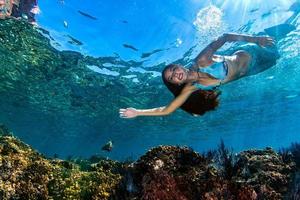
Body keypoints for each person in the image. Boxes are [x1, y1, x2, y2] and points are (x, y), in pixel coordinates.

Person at [119, 32, 280, 119]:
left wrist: (256, 39)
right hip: (252, 71)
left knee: (277, 48)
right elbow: (166, 110)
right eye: (171, 77)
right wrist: (138, 112)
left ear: (180, 66)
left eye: (175, 69)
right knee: (278, 59)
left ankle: (267, 35)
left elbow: (224, 37)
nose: (176, 74)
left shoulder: (202, 60)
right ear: (174, 83)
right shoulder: (189, 89)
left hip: (251, 53)